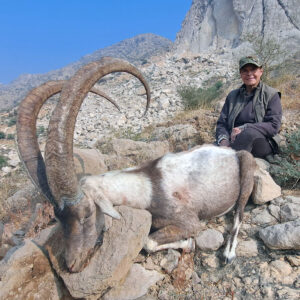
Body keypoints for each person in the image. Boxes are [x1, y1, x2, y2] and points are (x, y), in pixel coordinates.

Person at [216, 56, 282, 159]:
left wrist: (244, 128)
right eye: (245, 70)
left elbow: (273, 125)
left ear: (261, 71)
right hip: (233, 141)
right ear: (240, 74)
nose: (249, 74)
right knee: (207, 151)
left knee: (248, 134)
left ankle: (230, 164)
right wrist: (224, 141)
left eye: (253, 69)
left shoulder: (271, 94)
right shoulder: (232, 96)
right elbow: (222, 123)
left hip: (261, 141)